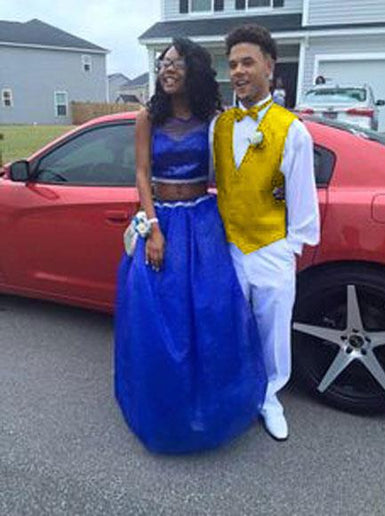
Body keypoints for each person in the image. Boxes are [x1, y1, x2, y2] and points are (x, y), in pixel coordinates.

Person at [114, 38, 266, 454]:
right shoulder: (148, 117)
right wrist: (153, 228)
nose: (167, 69)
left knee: (212, 315)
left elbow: (236, 171)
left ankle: (210, 403)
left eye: (176, 63)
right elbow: (141, 174)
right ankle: (165, 408)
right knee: (160, 320)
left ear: (194, 70)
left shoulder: (212, 119)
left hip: (203, 223)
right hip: (162, 220)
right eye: (163, 63)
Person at [211, 25, 320, 441]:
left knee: (273, 332)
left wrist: (289, 248)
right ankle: (236, 391)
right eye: (233, 64)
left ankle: (270, 396)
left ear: (269, 67)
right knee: (231, 325)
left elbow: (303, 200)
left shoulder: (292, 130)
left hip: (272, 247)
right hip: (229, 247)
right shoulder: (219, 126)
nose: (238, 71)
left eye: (247, 62)